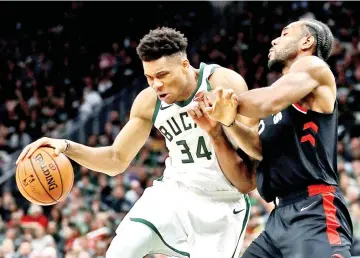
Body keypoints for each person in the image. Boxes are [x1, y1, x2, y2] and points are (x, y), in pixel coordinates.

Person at [16, 27, 256, 258]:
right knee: (121, 251)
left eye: (162, 75)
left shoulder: (223, 82)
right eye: (149, 77)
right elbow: (115, 160)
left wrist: (225, 123)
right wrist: (67, 146)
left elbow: (254, 147)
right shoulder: (149, 102)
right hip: (174, 193)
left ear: (184, 65)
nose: (156, 84)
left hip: (222, 201)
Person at [199, 19, 353, 258]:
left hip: (314, 210)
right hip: (278, 218)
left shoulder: (314, 67)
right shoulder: (277, 97)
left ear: (307, 41)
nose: (274, 40)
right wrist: (227, 121)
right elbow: (259, 149)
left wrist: (221, 102)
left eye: (284, 33)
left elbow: (267, 101)